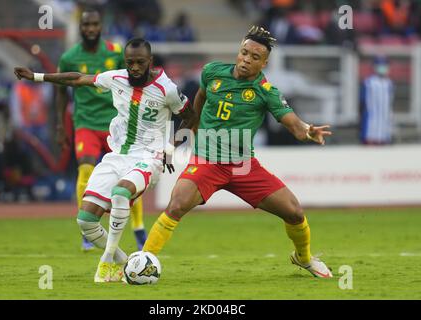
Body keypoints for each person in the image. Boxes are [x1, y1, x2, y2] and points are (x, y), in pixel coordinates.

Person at [142, 26, 334, 278]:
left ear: (264, 63)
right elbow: (197, 105)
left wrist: (308, 130)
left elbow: (293, 124)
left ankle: (304, 258)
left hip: (243, 166)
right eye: (244, 53)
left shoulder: (266, 92)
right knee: (176, 205)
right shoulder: (212, 72)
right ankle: (142, 262)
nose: (246, 59)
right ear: (238, 51)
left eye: (255, 57)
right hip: (207, 162)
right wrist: (177, 142)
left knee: (294, 212)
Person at [14, 37, 195, 282]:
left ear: (150, 61)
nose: (134, 68)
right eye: (130, 62)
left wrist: (170, 149)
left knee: (121, 192)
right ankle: (125, 261)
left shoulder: (168, 89)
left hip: (148, 158)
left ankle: (106, 261)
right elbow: (77, 79)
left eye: (140, 62)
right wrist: (36, 76)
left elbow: (191, 117)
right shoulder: (117, 78)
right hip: (117, 156)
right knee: (86, 221)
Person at [56, 9, 147, 251]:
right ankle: (87, 231)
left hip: (115, 123)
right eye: (86, 25)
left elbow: (134, 81)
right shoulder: (69, 58)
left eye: (95, 24)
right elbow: (60, 92)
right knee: (86, 167)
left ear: (101, 26)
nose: (90, 29)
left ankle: (138, 228)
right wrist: (59, 125)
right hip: (85, 122)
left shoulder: (116, 52)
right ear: (80, 27)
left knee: (129, 174)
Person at [360, 56, 394, 145]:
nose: (383, 68)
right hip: (371, 124)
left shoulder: (389, 83)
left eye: (385, 65)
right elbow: (362, 103)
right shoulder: (368, 82)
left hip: (385, 124)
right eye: (380, 65)